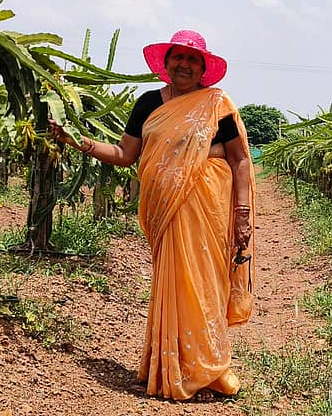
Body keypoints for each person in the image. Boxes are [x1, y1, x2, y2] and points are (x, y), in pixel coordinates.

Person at [49, 29, 255, 401]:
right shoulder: (147, 104)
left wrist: (242, 213)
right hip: (165, 212)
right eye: (179, 57)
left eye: (193, 59)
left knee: (205, 284)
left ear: (204, 67)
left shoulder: (217, 105)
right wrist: (75, 140)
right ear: (166, 62)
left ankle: (208, 371)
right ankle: (175, 366)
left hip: (208, 208)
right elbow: (125, 155)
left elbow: (239, 160)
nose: (185, 64)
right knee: (175, 283)